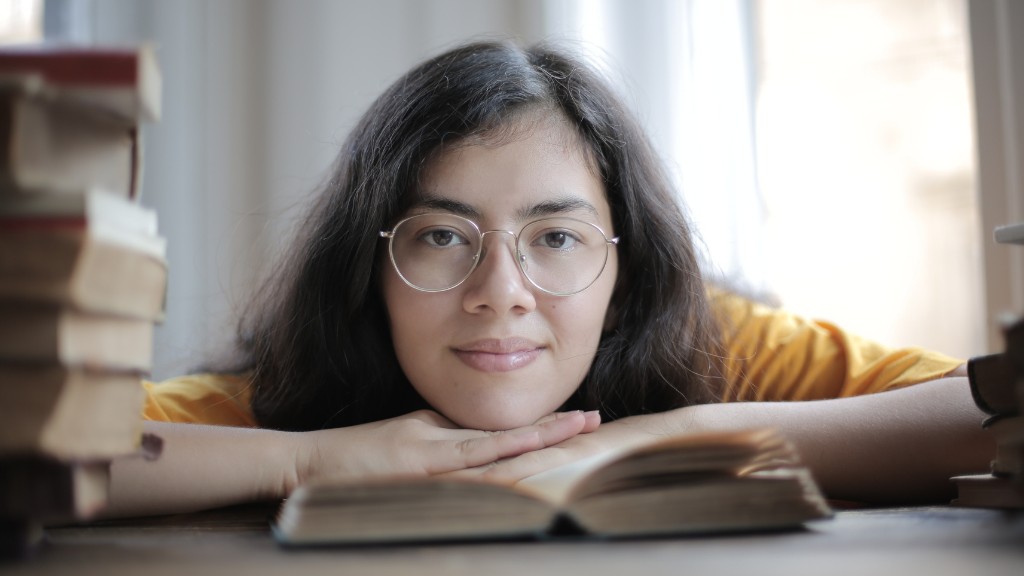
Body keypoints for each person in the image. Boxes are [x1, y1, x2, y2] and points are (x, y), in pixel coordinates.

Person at [110, 40, 993, 518]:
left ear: (624, 265)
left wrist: (665, 436)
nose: (501, 290)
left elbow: (988, 410)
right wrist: (307, 457)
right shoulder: (289, 396)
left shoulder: (712, 343)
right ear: (370, 266)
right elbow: (36, 452)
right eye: (442, 236)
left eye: (558, 238)